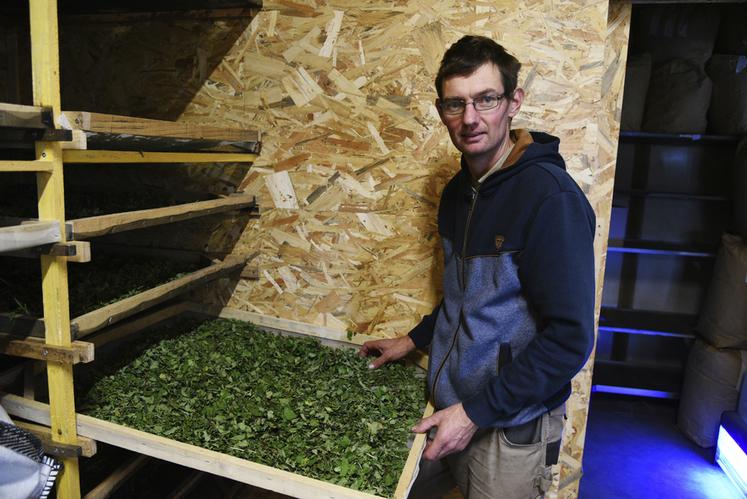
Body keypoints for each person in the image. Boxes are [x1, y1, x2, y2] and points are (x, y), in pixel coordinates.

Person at [359, 35, 596, 499]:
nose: (470, 118)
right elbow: (467, 295)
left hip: (509, 426)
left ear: (513, 102)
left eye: (486, 99)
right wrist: (412, 340)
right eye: (455, 104)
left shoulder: (550, 198)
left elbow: (570, 339)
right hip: (450, 406)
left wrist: (475, 413)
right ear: (441, 110)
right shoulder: (457, 193)